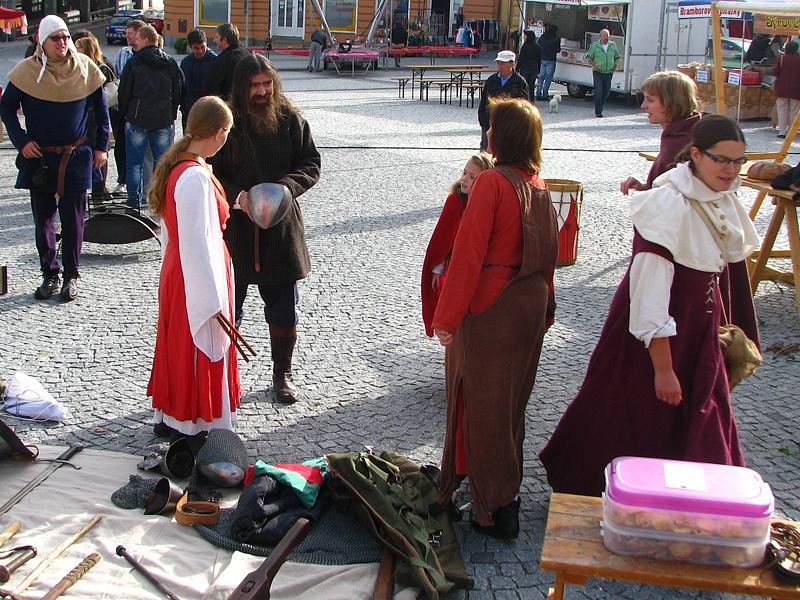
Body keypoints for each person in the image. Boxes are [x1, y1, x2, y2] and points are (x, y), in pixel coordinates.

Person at [540, 115, 761, 497]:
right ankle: (613, 494)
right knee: (637, 422)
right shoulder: (667, 207)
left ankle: (695, 505)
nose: (731, 169)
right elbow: (649, 297)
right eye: (721, 159)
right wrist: (664, 370)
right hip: (654, 345)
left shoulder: (718, 199)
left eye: (738, 161)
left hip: (696, 338)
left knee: (699, 423)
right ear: (696, 155)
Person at [431, 98, 558, 540]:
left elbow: (467, 256)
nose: (487, 134)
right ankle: (487, 488)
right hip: (529, 306)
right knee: (509, 406)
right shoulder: (537, 183)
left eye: (492, 129)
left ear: (499, 137)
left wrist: (446, 318)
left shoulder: (491, 183)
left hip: (493, 309)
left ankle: (496, 506)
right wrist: (547, 307)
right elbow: (549, 256)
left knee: (481, 403)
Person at [209, 55, 320, 405]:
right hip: (236, 229)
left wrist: (284, 189)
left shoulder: (289, 117)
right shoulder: (227, 120)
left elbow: (310, 163)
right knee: (229, 308)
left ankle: (282, 372)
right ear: (242, 88)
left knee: (284, 310)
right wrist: (237, 194)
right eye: (254, 86)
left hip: (280, 228)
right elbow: (208, 166)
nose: (262, 92)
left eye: (266, 84)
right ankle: (223, 374)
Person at [147, 96, 240, 442]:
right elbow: (197, 243)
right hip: (195, 273)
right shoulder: (194, 177)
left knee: (178, 344)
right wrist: (211, 300)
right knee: (193, 344)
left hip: (181, 269)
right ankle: (194, 423)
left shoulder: (185, 167)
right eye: (227, 133)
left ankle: (172, 415)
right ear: (217, 133)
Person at [0, 15, 109, 302]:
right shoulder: (26, 72)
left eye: (64, 37)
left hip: (76, 156)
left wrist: (100, 148)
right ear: (42, 42)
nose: (62, 42)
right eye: (55, 38)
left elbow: (101, 111)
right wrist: (22, 141)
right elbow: (7, 109)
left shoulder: (86, 69)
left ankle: (71, 276)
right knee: (43, 220)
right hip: (41, 160)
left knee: (73, 221)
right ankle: (50, 273)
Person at [421, 153, 494, 337]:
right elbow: (442, 239)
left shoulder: (486, 204)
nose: (464, 179)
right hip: (451, 264)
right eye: (464, 173)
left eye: (472, 177)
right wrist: (437, 268)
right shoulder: (455, 201)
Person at [118, 24, 184, 209]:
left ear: (146, 39)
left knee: (134, 163)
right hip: (163, 119)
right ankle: (160, 200)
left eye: (137, 39)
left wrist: (126, 114)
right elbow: (178, 89)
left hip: (137, 119)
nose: (134, 42)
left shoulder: (134, 62)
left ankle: (133, 201)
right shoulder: (170, 62)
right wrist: (172, 112)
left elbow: (124, 92)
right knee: (162, 164)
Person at [620, 71, 701, 195]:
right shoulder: (680, 132)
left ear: (671, 103)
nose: (643, 106)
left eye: (650, 100)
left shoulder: (684, 140)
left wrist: (649, 190)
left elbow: (679, 197)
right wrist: (645, 186)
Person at [75, 35, 117, 197]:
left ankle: (100, 187)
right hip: (86, 116)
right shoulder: (77, 67)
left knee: (100, 150)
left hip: (96, 116)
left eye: (79, 47)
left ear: (87, 49)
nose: (76, 50)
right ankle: (91, 186)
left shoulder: (101, 67)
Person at [111, 19, 146, 195]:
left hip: (139, 110)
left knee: (141, 150)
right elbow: (117, 77)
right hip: (121, 108)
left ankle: (142, 188)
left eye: (130, 34)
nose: (127, 37)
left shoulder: (146, 56)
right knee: (121, 146)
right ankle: (122, 181)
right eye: (126, 33)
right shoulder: (122, 53)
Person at [477, 51, 528, 150]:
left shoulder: (519, 82)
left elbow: (524, 106)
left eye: (503, 63)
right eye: (499, 63)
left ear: (512, 64)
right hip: (489, 125)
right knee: (486, 152)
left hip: (510, 127)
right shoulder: (492, 80)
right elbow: (483, 102)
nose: (500, 66)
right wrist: (483, 121)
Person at [180, 29, 217, 132]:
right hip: (189, 107)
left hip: (208, 108)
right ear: (190, 47)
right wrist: (183, 106)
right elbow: (182, 86)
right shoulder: (186, 62)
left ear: (207, 44)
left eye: (202, 47)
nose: (200, 51)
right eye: (196, 48)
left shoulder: (215, 61)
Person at [207, 23, 249, 100]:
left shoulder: (221, 60)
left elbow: (214, 88)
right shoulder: (248, 54)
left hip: (228, 106)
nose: (214, 40)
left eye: (217, 37)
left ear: (224, 40)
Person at [585, 29, 620, 118]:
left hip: (608, 72)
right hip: (598, 72)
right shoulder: (595, 46)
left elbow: (617, 57)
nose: (606, 38)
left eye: (607, 36)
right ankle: (598, 111)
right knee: (599, 91)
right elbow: (588, 57)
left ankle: (600, 103)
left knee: (606, 91)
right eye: (604, 36)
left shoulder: (612, 45)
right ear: (600, 37)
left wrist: (613, 68)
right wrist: (594, 64)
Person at [772, 41, 800, 139]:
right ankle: (791, 132)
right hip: (796, 90)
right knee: (794, 111)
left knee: (782, 110)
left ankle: (782, 132)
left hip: (782, 89)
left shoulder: (782, 58)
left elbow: (775, 72)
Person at [536, 24, 560, 101]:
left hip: (542, 58)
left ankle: (538, 94)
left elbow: (538, 44)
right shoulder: (556, 38)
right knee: (548, 78)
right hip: (551, 59)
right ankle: (545, 94)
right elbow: (558, 50)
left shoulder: (543, 36)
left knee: (541, 77)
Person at [516, 29, 541, 102]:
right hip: (534, 68)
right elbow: (539, 59)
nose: (524, 37)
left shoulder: (525, 46)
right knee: (531, 86)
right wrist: (538, 70)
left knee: (524, 85)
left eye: (525, 36)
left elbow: (521, 58)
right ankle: (531, 101)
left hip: (525, 68)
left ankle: (524, 100)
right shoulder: (538, 46)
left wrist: (517, 68)